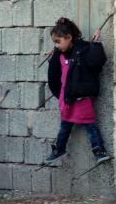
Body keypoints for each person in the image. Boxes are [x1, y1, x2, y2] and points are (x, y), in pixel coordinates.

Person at [45, 17, 111, 164]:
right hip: (67, 99)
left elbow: (96, 61)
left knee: (90, 125)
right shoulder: (60, 55)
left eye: (58, 41)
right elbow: (55, 76)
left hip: (81, 98)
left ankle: (99, 150)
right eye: (55, 42)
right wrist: (54, 55)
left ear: (69, 37)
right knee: (64, 127)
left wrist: (94, 44)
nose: (56, 45)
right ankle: (59, 149)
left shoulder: (83, 50)